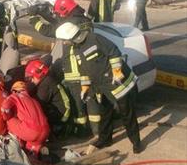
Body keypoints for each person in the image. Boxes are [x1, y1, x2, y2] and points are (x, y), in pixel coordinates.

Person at [55, 22, 143, 154]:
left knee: (127, 113)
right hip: (100, 86)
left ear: (71, 37)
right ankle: (105, 139)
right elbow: (84, 70)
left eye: (64, 40)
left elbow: (113, 52)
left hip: (116, 83)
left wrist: (117, 70)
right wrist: (85, 87)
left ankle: (136, 142)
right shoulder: (77, 49)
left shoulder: (94, 39)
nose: (63, 43)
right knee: (105, 113)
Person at [27, 0, 100, 135]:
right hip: (88, 67)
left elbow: (48, 30)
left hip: (74, 69)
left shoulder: (70, 25)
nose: (59, 15)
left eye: (60, 12)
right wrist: (44, 12)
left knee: (78, 104)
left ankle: (82, 130)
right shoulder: (84, 20)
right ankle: (95, 129)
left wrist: (33, 18)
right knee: (90, 102)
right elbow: (59, 22)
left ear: (65, 10)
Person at [1, 81, 50, 157]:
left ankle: (18, 145)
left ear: (14, 91)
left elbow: (5, 106)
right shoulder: (34, 100)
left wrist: (5, 116)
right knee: (32, 141)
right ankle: (35, 150)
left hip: (31, 131)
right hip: (45, 132)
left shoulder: (16, 96)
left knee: (10, 120)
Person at [25, 59, 71, 135]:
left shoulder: (46, 84)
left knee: (35, 115)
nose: (31, 81)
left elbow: (38, 104)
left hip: (62, 116)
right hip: (61, 110)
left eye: (32, 77)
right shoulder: (47, 79)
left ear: (38, 74)